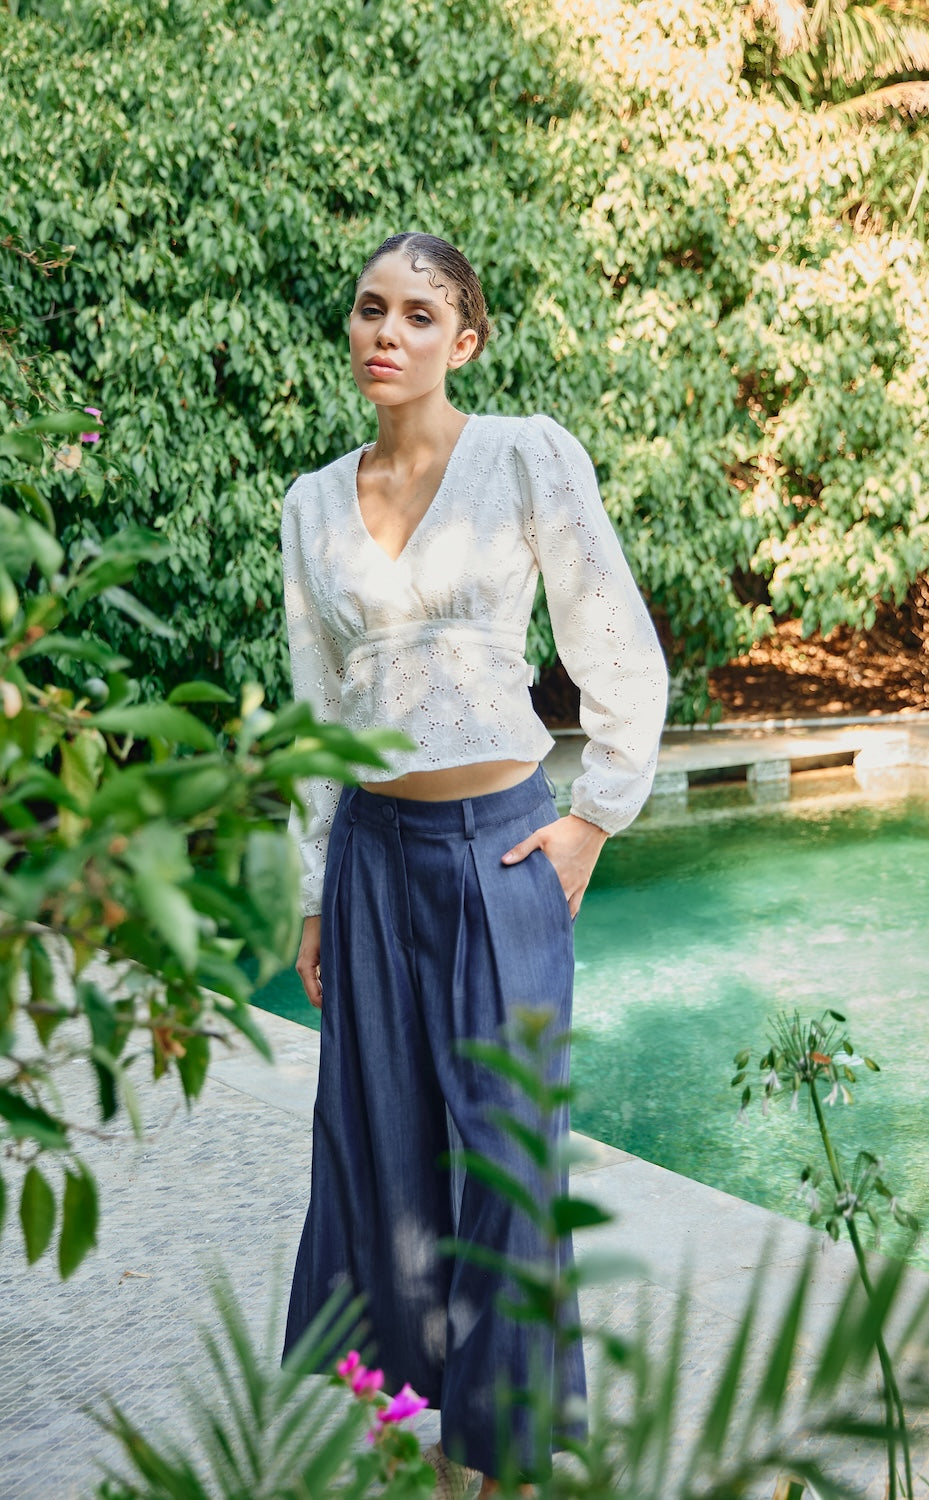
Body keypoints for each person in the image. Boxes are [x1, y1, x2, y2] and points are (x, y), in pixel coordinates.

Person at [280, 232, 667, 1495]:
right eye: (369, 309)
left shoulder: (521, 456)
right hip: (370, 860)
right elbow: (315, 715)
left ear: (466, 337)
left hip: (499, 848)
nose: (385, 333)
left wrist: (594, 816)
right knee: (384, 1151)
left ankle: (500, 1455)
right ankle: (423, 1424)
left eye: (418, 313)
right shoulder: (310, 505)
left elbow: (615, 639)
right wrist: (313, 892)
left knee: (507, 1156)